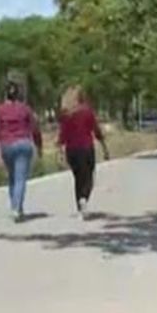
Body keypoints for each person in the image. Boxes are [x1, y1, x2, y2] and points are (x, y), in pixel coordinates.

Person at [0, 80, 43, 223]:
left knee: (12, 178)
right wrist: (39, 145)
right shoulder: (25, 109)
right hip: (24, 144)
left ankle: (15, 205)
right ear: (18, 94)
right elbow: (35, 128)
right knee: (20, 178)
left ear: (5, 94)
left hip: (7, 145)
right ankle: (17, 207)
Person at [58, 85, 107, 219]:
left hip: (71, 150)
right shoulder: (87, 111)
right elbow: (96, 130)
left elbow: (63, 134)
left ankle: (80, 207)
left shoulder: (65, 114)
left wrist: (61, 152)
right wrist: (103, 145)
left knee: (78, 178)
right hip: (85, 148)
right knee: (89, 177)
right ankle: (84, 198)